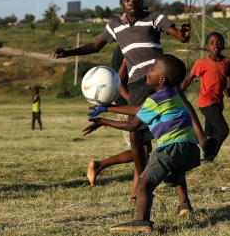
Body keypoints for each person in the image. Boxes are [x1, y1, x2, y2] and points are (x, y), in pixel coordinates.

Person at [53, 0, 190, 198]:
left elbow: (180, 37)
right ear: (120, 2)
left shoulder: (153, 17)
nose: (132, 2)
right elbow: (96, 46)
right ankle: (143, 183)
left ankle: (179, 199)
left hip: (160, 80)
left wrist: (183, 35)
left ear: (143, 0)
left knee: (168, 137)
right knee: (137, 139)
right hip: (137, 83)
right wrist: (67, 52)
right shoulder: (115, 24)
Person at [83, 54, 202, 232]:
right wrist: (107, 108)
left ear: (161, 79)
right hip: (191, 150)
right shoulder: (171, 95)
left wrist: (103, 121)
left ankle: (142, 221)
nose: (148, 70)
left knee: (144, 184)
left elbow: (133, 124)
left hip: (170, 148)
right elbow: (140, 109)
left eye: (152, 68)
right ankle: (181, 193)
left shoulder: (156, 99)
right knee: (176, 168)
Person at [82, 47, 154, 190]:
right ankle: (101, 166)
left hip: (132, 106)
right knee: (141, 150)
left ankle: (135, 193)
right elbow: (117, 81)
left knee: (143, 150)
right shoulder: (128, 47)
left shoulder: (129, 44)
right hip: (128, 107)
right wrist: (133, 104)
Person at [180, 31, 230, 162]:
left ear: (223, 46)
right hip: (207, 102)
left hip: (218, 102)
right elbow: (188, 80)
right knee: (223, 130)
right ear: (207, 47)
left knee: (209, 134)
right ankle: (209, 157)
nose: (215, 45)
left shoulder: (227, 62)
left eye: (219, 43)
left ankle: (189, 148)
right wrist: (177, 93)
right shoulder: (201, 63)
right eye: (212, 43)